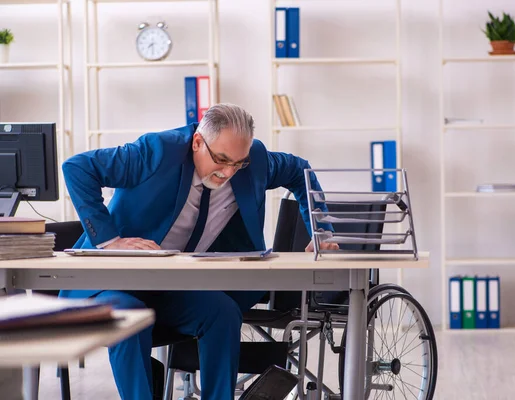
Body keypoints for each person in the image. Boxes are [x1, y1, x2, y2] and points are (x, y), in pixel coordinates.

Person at [58, 103, 338, 400]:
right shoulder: (156, 152)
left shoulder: (253, 162)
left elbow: (299, 170)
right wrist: (110, 241)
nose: (228, 172)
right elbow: (77, 167)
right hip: (110, 286)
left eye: (238, 163)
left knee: (222, 313)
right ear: (197, 143)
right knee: (129, 314)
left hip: (172, 286)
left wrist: (321, 230)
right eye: (221, 159)